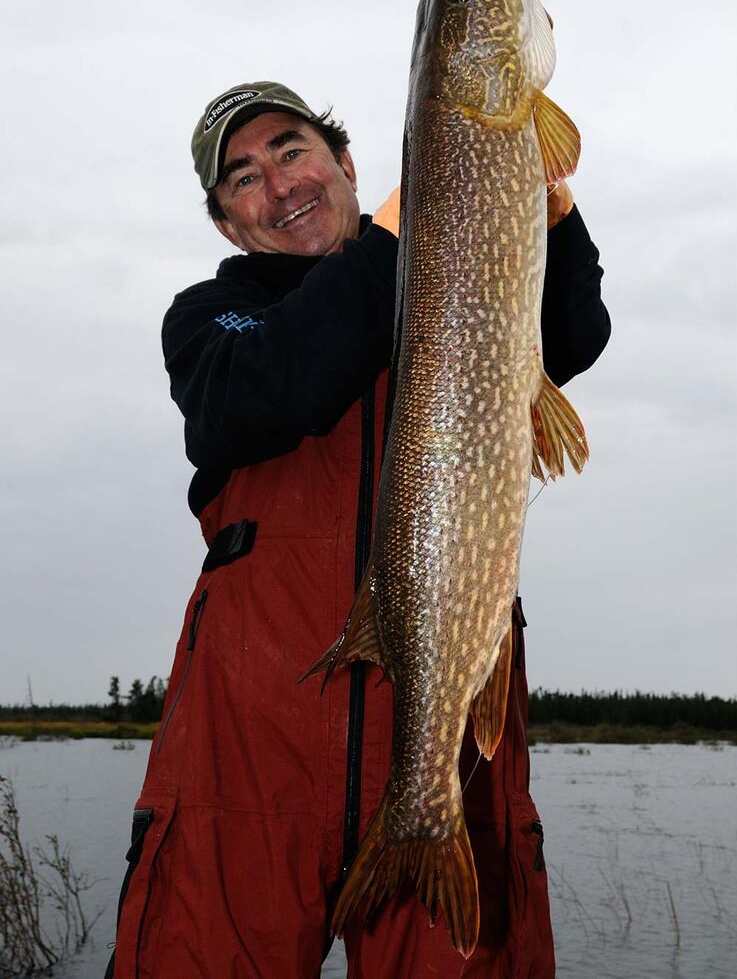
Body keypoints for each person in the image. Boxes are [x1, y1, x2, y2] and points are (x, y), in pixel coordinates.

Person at [106, 81, 610, 979]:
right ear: (227, 224)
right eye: (243, 178)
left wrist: (547, 210)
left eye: (292, 150)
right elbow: (268, 390)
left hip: (445, 738)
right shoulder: (213, 320)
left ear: (344, 164)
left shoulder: (451, 299)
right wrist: (398, 234)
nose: (279, 184)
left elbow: (572, 334)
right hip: (246, 767)